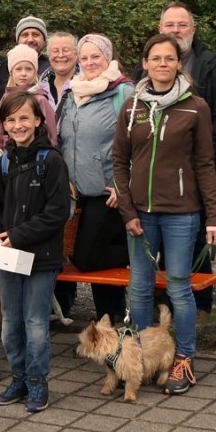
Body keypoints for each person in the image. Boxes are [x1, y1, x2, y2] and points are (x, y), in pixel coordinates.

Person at [116, 34, 216, 396]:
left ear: (180, 63)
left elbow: (205, 164)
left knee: (179, 288)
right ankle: (146, 358)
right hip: (140, 217)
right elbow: (119, 161)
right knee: (140, 290)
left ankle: (184, 359)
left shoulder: (197, 107)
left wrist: (214, 217)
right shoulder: (131, 106)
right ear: (145, 64)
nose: (162, 64)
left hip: (182, 213)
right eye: (155, 58)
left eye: (169, 58)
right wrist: (128, 211)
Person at [147, 3, 216, 324]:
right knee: (155, 243)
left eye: (181, 25)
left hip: (195, 176)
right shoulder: (147, 66)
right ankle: (163, 304)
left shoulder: (210, 65)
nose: (175, 30)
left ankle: (200, 305)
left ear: (193, 30)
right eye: (169, 25)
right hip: (154, 179)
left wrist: (205, 162)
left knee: (195, 239)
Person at [0, 92, 70, 412]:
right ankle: (18, 376)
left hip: (42, 257)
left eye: (24, 118)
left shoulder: (52, 161)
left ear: (38, 121)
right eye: (10, 120)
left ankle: (37, 381)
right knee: (11, 323)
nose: (17, 125)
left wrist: (17, 235)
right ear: (3, 125)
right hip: (7, 256)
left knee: (35, 323)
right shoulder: (4, 162)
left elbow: (58, 212)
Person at [57, 33, 133, 325]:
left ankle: (146, 250)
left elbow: (141, 143)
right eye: (84, 57)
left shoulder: (123, 93)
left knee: (87, 257)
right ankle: (107, 323)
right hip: (78, 194)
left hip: (108, 192)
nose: (89, 63)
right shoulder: (72, 93)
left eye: (96, 57)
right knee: (91, 260)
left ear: (108, 58)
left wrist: (122, 183)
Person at [0, 45, 58, 151]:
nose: (23, 74)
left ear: (35, 72)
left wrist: (49, 151)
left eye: (28, 69)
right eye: (18, 69)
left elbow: (50, 130)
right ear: (11, 72)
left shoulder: (40, 99)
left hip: (38, 154)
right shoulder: (6, 98)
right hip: (11, 153)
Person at [42, 31, 79, 105]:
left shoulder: (88, 87)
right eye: (55, 51)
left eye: (66, 50)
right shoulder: (39, 90)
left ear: (77, 54)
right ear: (48, 55)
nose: (60, 55)